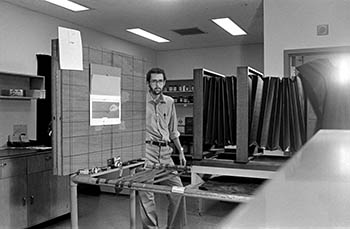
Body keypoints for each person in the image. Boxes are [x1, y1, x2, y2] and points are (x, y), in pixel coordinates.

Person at [139, 67, 187, 229]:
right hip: (147, 151)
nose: (157, 84)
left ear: (164, 83)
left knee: (178, 191)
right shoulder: (140, 102)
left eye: (160, 81)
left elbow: (173, 131)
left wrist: (180, 151)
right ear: (148, 83)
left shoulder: (170, 102)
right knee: (147, 195)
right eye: (154, 81)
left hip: (166, 153)